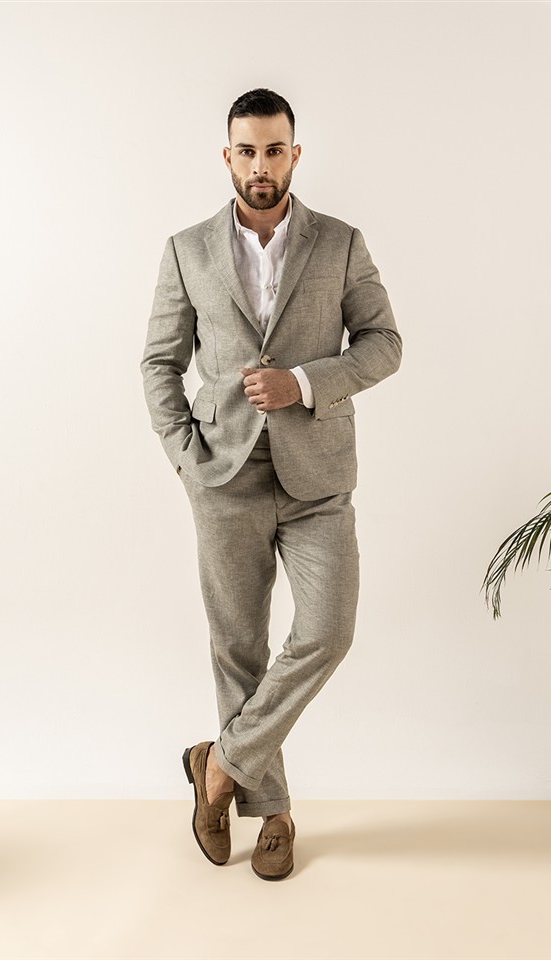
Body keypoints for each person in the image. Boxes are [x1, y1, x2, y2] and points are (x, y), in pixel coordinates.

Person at [140, 88, 402, 880]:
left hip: (317, 476)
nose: (261, 164)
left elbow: (384, 343)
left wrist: (304, 382)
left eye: (274, 150)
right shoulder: (187, 249)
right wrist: (185, 457)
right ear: (228, 157)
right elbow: (159, 364)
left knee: (327, 630)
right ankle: (275, 812)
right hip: (222, 475)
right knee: (239, 646)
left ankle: (218, 765)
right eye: (248, 150)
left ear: (295, 154)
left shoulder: (340, 243)